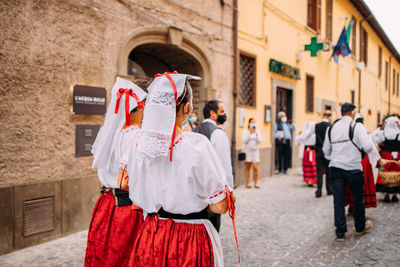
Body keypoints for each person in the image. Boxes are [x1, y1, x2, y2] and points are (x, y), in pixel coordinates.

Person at [122, 73, 236, 266]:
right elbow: (220, 206)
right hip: (189, 238)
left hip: (152, 233)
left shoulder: (137, 145)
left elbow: (129, 186)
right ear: (187, 108)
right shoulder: (196, 145)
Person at [85, 78, 148, 266]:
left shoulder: (110, 134)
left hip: (106, 205)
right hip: (129, 210)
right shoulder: (137, 137)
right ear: (143, 104)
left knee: (105, 256)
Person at [323, 103, 387, 242]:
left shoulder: (332, 127)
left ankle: (340, 232)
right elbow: (368, 146)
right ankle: (359, 227)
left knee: (338, 201)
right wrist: (375, 158)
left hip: (336, 168)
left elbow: (326, 151)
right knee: (358, 199)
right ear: (352, 113)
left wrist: (336, 158)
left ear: (341, 113)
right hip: (353, 168)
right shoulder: (357, 126)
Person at [194, 100, 234, 232]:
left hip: (194, 189)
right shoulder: (218, 134)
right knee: (212, 229)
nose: (224, 114)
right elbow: (224, 167)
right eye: (222, 111)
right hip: (212, 191)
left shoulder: (194, 130)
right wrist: (229, 191)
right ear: (212, 113)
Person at [346, 114, 377, 214]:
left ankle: (352, 204)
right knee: (363, 182)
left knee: (352, 182)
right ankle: (361, 204)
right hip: (364, 159)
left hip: (353, 159)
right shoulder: (365, 130)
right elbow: (370, 146)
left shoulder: (351, 130)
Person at [373, 116, 400, 202]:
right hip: (397, 156)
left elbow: (376, 140)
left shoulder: (383, 133)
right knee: (396, 172)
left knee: (383, 170)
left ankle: (386, 194)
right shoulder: (399, 133)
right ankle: (395, 194)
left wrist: (380, 148)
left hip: (385, 155)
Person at [315, 110, 333, 197]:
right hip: (328, 152)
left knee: (319, 172)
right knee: (328, 172)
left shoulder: (317, 126)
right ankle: (329, 189)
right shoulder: (330, 126)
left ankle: (319, 190)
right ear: (329, 117)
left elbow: (317, 138)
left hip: (318, 151)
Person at [242, 118, 262, 188]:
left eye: (254, 122)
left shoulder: (257, 132)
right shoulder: (245, 131)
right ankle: (247, 183)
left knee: (255, 167)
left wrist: (256, 135)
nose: (253, 123)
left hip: (255, 151)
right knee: (247, 167)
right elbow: (244, 141)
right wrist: (250, 133)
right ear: (249, 123)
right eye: (252, 122)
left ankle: (256, 183)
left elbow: (259, 141)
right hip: (247, 151)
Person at [295, 121, 317, 186]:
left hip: (310, 151)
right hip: (309, 151)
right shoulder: (309, 134)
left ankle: (311, 179)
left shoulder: (310, 134)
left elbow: (299, 139)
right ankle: (309, 179)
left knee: (311, 164)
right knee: (308, 164)